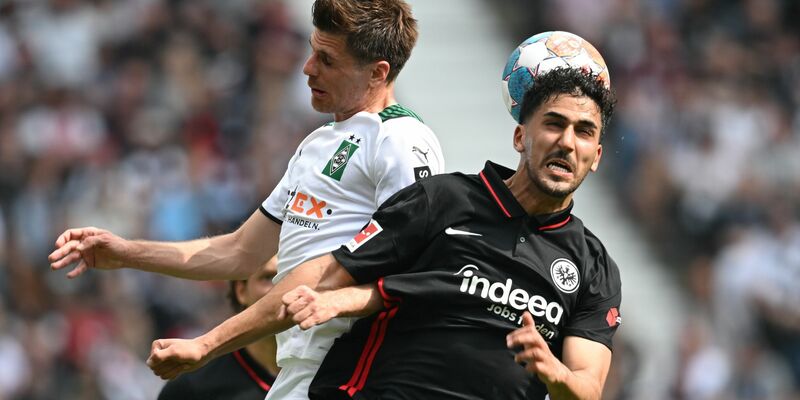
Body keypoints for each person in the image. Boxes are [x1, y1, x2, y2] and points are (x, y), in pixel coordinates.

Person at [146, 66, 621, 399]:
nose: (566, 142)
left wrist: (549, 366)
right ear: (521, 136)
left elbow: (586, 388)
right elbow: (327, 275)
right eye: (554, 124)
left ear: (597, 156)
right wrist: (206, 345)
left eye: (584, 132)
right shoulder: (443, 200)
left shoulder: (593, 266)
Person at [48, 0, 444, 398]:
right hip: (303, 367)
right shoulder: (318, 143)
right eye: (312, 50)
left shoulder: (400, 139)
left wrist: (207, 343)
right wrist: (125, 253)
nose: (307, 68)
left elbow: (377, 268)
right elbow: (239, 252)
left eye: (327, 59)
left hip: (358, 371)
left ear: (377, 73)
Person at [158, 261, 280, 400]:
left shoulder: (309, 373)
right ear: (241, 290)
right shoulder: (193, 388)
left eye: (290, 277)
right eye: (268, 277)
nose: (281, 289)